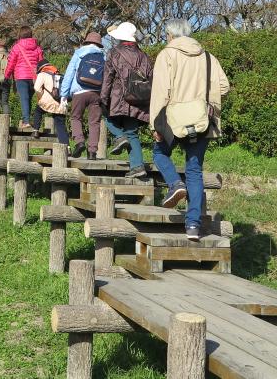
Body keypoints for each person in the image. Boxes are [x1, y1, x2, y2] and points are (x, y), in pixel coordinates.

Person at [149, 18, 230, 241]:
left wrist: (154, 124)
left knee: (159, 154)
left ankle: (175, 184)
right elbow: (224, 86)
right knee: (194, 170)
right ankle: (193, 226)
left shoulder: (167, 55)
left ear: (171, 35)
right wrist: (203, 98)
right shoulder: (208, 57)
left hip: (173, 119)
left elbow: (160, 91)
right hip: (201, 119)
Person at [99, 21, 152, 168]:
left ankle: (119, 136)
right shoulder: (144, 55)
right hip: (138, 99)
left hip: (118, 98)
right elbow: (150, 78)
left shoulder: (114, 53)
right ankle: (137, 167)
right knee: (132, 132)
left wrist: (103, 99)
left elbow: (108, 78)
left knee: (107, 118)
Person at [60, 31, 105, 158]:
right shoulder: (103, 56)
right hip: (96, 92)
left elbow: (69, 74)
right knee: (94, 122)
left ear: (86, 41)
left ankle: (79, 142)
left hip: (79, 91)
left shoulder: (79, 53)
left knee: (75, 117)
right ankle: (92, 152)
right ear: (99, 44)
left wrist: (63, 94)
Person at [4, 26, 44, 131]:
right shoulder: (37, 48)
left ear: (20, 34)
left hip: (21, 77)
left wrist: (6, 75)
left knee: (24, 99)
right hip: (34, 77)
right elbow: (42, 63)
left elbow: (11, 63)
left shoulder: (16, 47)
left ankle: (26, 121)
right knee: (29, 99)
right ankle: (27, 120)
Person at [33, 59, 69, 144]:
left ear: (41, 68)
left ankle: (35, 130)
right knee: (61, 126)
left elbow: (37, 88)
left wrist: (41, 96)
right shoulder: (60, 75)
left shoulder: (43, 74)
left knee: (38, 111)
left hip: (47, 102)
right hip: (61, 104)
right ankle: (67, 147)